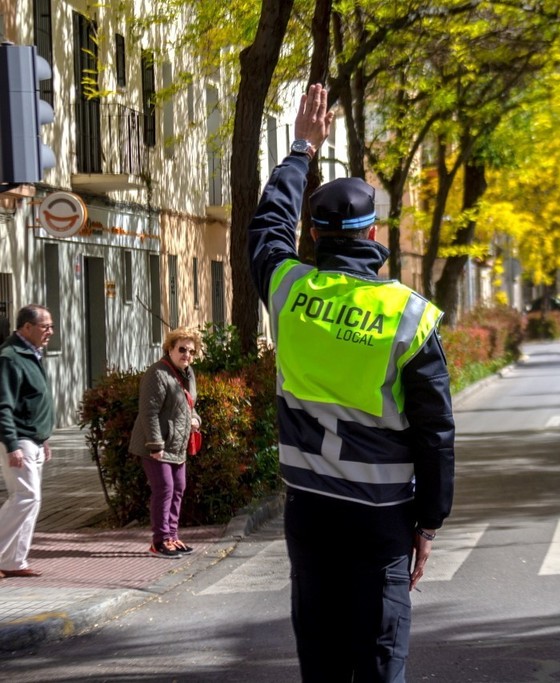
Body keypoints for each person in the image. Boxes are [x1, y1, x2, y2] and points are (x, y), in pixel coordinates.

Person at [248, 83, 455, 682]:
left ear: (314, 234)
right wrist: (430, 520)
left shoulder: (289, 291)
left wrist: (301, 148)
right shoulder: (409, 315)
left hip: (310, 510)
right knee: (379, 653)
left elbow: (266, 227)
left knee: (321, 651)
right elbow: (435, 430)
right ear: (372, 236)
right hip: (381, 515)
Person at [128, 328, 202, 559]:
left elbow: (189, 406)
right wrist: (155, 444)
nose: (186, 355)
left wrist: (196, 419)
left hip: (178, 445)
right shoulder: (157, 373)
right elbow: (148, 412)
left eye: (191, 351)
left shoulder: (188, 374)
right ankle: (159, 541)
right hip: (157, 445)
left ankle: (172, 536)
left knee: (178, 488)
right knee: (165, 489)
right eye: (181, 349)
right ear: (170, 348)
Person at [0, 305, 55, 578]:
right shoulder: (10, 357)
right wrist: (11, 444)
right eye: (45, 326)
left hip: (32, 439)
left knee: (32, 501)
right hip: (18, 439)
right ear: (26, 327)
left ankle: (13, 561)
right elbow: (4, 406)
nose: (50, 332)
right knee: (25, 497)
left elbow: (32, 401)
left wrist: (43, 438)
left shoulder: (31, 354)